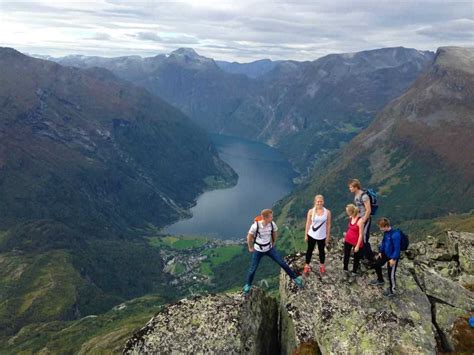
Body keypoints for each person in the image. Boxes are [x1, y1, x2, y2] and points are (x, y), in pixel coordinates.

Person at [243, 209, 303, 294]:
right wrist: (250, 247)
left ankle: (295, 278)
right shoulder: (255, 226)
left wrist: (274, 242)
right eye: (271, 217)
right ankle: (248, 285)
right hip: (258, 250)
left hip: (269, 248)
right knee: (253, 269)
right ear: (264, 218)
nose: (272, 218)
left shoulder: (272, 224)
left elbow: (275, 233)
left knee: (282, 263)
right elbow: (249, 237)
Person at [369, 217, 401, 297]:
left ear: (386, 226)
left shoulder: (395, 235)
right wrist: (380, 251)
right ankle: (380, 280)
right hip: (385, 254)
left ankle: (392, 290)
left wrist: (393, 259)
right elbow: (384, 242)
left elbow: (397, 249)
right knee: (376, 264)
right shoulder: (386, 232)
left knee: (391, 274)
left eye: (381, 227)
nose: (380, 229)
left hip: (392, 257)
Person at [304, 195, 331, 275]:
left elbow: (328, 224)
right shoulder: (311, 211)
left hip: (322, 236)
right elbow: (308, 223)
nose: (319, 203)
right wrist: (306, 235)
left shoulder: (327, 212)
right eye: (318, 201)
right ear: (315, 202)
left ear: (323, 202)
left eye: (321, 201)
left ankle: (322, 265)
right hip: (312, 235)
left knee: (321, 251)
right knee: (309, 250)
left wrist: (327, 236)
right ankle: (306, 265)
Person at [348, 179, 373, 261]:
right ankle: (361, 255)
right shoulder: (356, 196)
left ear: (356, 187)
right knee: (359, 236)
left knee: (364, 238)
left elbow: (368, 210)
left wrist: (363, 220)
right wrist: (353, 216)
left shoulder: (364, 196)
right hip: (359, 218)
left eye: (351, 187)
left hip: (365, 219)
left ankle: (370, 257)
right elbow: (359, 208)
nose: (350, 189)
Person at [343, 204, 364, 283]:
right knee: (346, 255)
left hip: (356, 242)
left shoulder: (360, 221)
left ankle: (354, 273)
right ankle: (345, 270)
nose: (347, 213)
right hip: (348, 239)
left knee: (356, 258)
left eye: (347, 211)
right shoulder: (351, 217)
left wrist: (357, 246)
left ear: (351, 212)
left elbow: (361, 234)